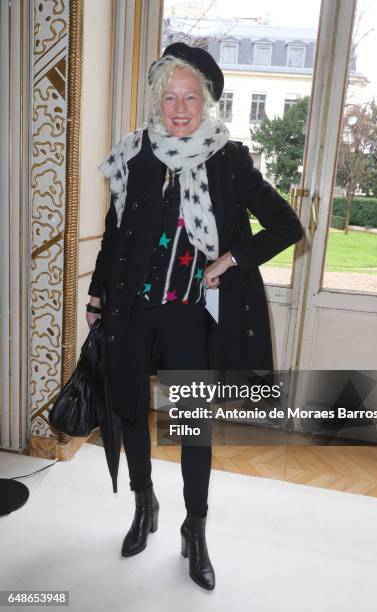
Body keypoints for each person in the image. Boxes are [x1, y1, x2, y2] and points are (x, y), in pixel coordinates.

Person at [86, 42, 304, 591]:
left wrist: (230, 260)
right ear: (156, 101)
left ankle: (196, 529)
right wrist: (95, 298)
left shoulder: (228, 159)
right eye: (168, 97)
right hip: (132, 311)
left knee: (192, 431)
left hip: (190, 318)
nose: (178, 108)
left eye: (189, 98)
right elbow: (116, 235)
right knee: (133, 411)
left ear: (205, 102)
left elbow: (286, 225)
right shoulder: (134, 154)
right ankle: (144, 506)